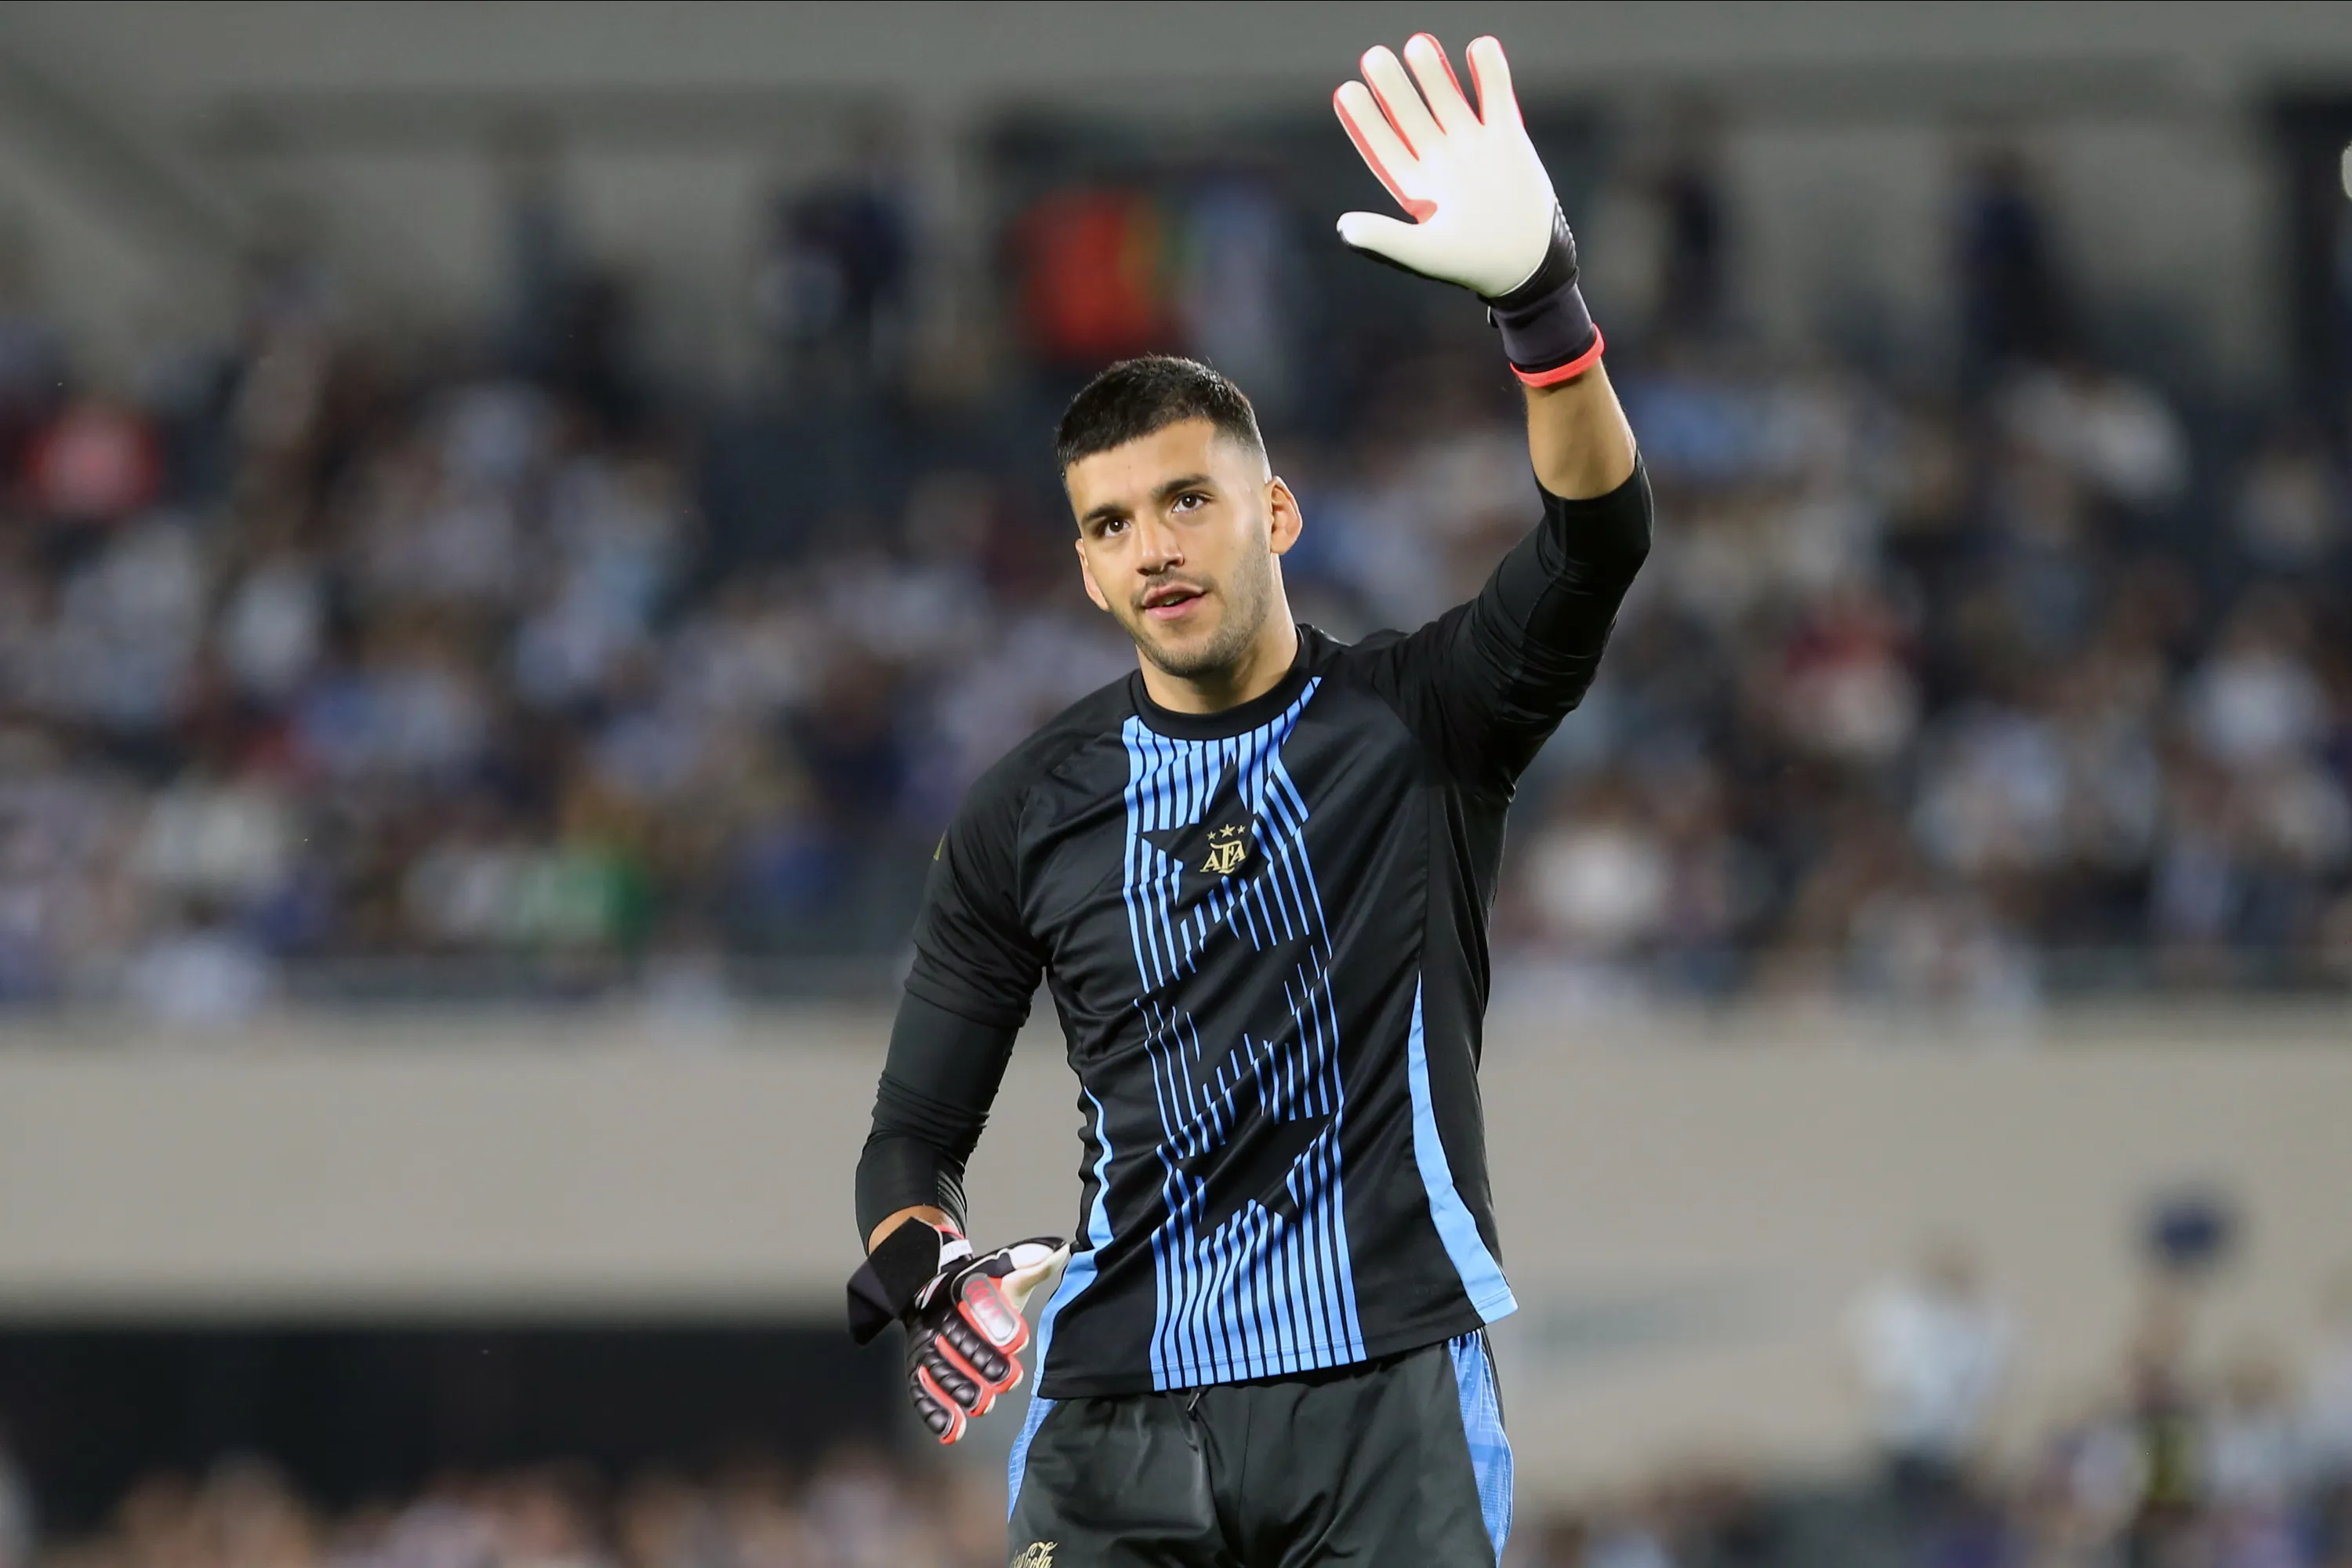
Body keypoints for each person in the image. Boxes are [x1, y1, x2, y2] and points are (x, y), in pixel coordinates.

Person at [847, 34, 1650, 1566]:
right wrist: (928, 1263)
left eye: (1187, 500)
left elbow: (1598, 538)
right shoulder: (1025, 809)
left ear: (1274, 511)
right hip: (1114, 1415)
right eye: (1111, 525)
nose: (1153, 546)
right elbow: (913, 1136)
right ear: (1087, 570)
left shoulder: (1423, 720)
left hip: (1384, 1394)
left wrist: (1543, 309)